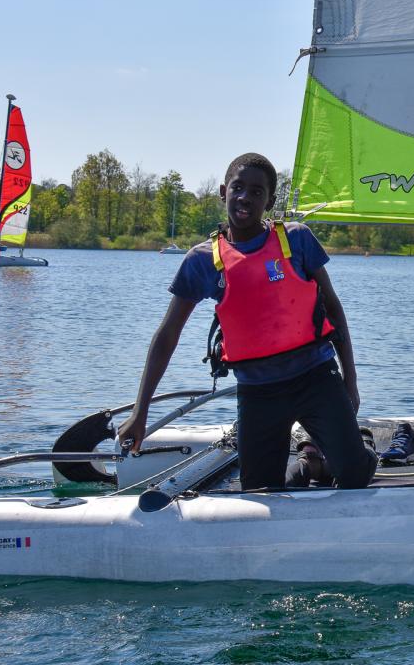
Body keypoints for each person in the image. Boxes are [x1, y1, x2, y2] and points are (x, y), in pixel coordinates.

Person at [118, 152, 377, 491]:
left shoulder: (296, 239)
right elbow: (167, 335)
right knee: (260, 492)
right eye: (238, 188)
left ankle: (360, 445)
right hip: (259, 391)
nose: (245, 198)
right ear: (223, 192)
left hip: (316, 378)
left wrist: (350, 381)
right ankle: (310, 462)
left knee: (354, 475)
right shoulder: (201, 261)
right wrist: (140, 412)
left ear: (269, 201)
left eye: (257, 192)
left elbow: (333, 309)